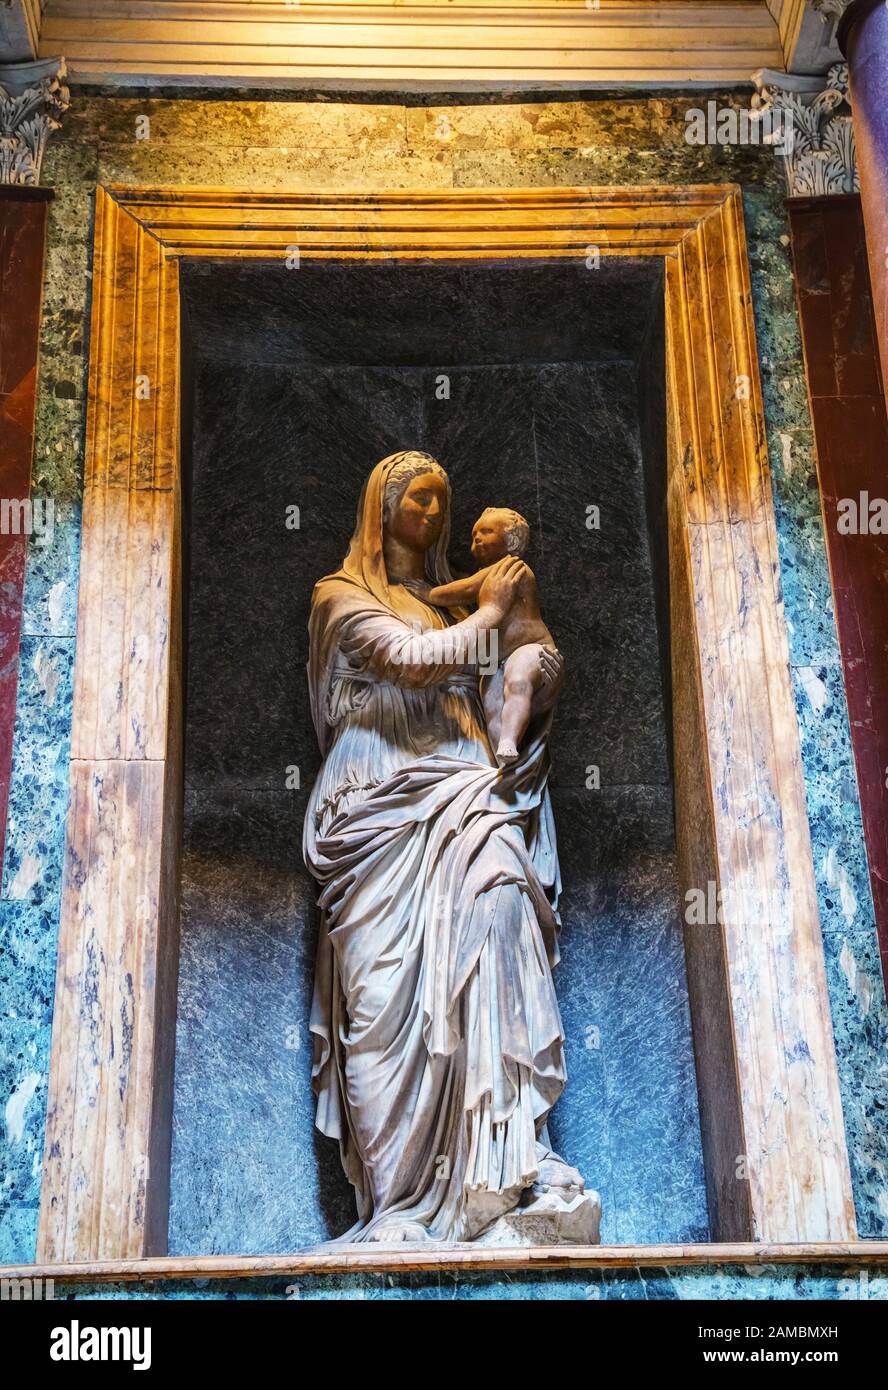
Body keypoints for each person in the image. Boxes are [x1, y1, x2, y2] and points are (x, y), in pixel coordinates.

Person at [303, 450, 584, 1244]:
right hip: (378, 803)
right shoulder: (341, 596)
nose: (431, 514)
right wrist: (492, 616)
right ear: (380, 506)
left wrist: (533, 670)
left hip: (467, 785)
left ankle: (508, 1158)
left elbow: (506, 691)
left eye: (441, 503)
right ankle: (396, 1204)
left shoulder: (455, 598)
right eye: (416, 499)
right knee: (379, 993)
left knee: (502, 899)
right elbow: (409, 660)